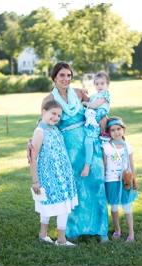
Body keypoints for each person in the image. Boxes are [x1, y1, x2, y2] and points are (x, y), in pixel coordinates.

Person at [40, 62, 109, 241]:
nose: (66, 79)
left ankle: (101, 229)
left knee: (96, 183)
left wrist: (105, 119)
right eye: (62, 75)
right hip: (67, 148)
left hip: (89, 142)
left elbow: (98, 109)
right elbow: (42, 123)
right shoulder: (48, 99)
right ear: (54, 77)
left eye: (69, 75)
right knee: (75, 188)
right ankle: (74, 230)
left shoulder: (78, 93)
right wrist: (31, 142)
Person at [30, 100, 80, 246]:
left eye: (59, 115)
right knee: (60, 205)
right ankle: (61, 240)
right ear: (44, 112)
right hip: (50, 176)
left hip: (63, 173)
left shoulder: (53, 128)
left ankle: (43, 234)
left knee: (53, 204)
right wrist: (35, 181)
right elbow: (32, 158)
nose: (56, 117)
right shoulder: (39, 132)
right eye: (53, 113)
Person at [102, 116, 138, 242]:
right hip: (111, 180)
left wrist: (134, 180)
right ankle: (117, 229)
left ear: (123, 130)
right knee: (114, 207)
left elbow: (131, 165)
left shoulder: (128, 147)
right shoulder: (106, 146)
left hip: (125, 181)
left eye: (118, 129)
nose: (116, 132)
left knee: (127, 206)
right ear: (109, 132)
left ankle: (131, 232)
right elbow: (105, 165)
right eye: (113, 130)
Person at [81, 72, 111, 178]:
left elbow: (94, 105)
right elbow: (89, 99)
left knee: (88, 141)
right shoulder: (95, 95)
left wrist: (84, 104)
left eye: (102, 83)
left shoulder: (105, 95)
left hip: (97, 122)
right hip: (91, 120)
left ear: (108, 84)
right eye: (97, 84)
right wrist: (82, 92)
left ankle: (87, 165)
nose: (99, 86)